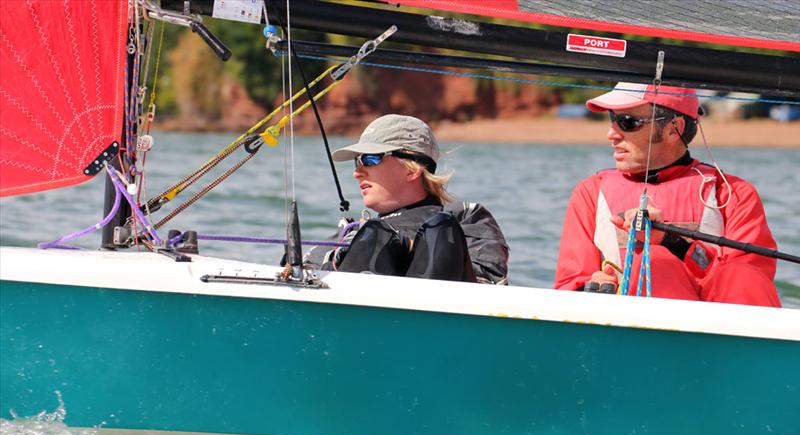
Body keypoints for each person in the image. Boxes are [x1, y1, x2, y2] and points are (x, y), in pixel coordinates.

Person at [554, 82, 780, 307]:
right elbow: (569, 284)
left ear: (674, 129)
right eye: (613, 119)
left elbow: (749, 287)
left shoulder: (732, 194)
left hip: (713, 332)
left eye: (628, 122)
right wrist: (588, 287)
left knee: (740, 274)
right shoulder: (591, 192)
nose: (611, 134)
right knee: (652, 262)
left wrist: (671, 242)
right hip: (620, 331)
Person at [305, 114, 509, 284]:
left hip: (441, 323)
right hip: (350, 323)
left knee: (439, 230)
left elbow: (486, 285)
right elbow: (297, 272)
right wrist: (345, 254)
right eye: (357, 161)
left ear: (412, 169)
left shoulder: (466, 219)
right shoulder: (353, 232)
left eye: (370, 159)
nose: (357, 173)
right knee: (374, 234)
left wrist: (408, 248)